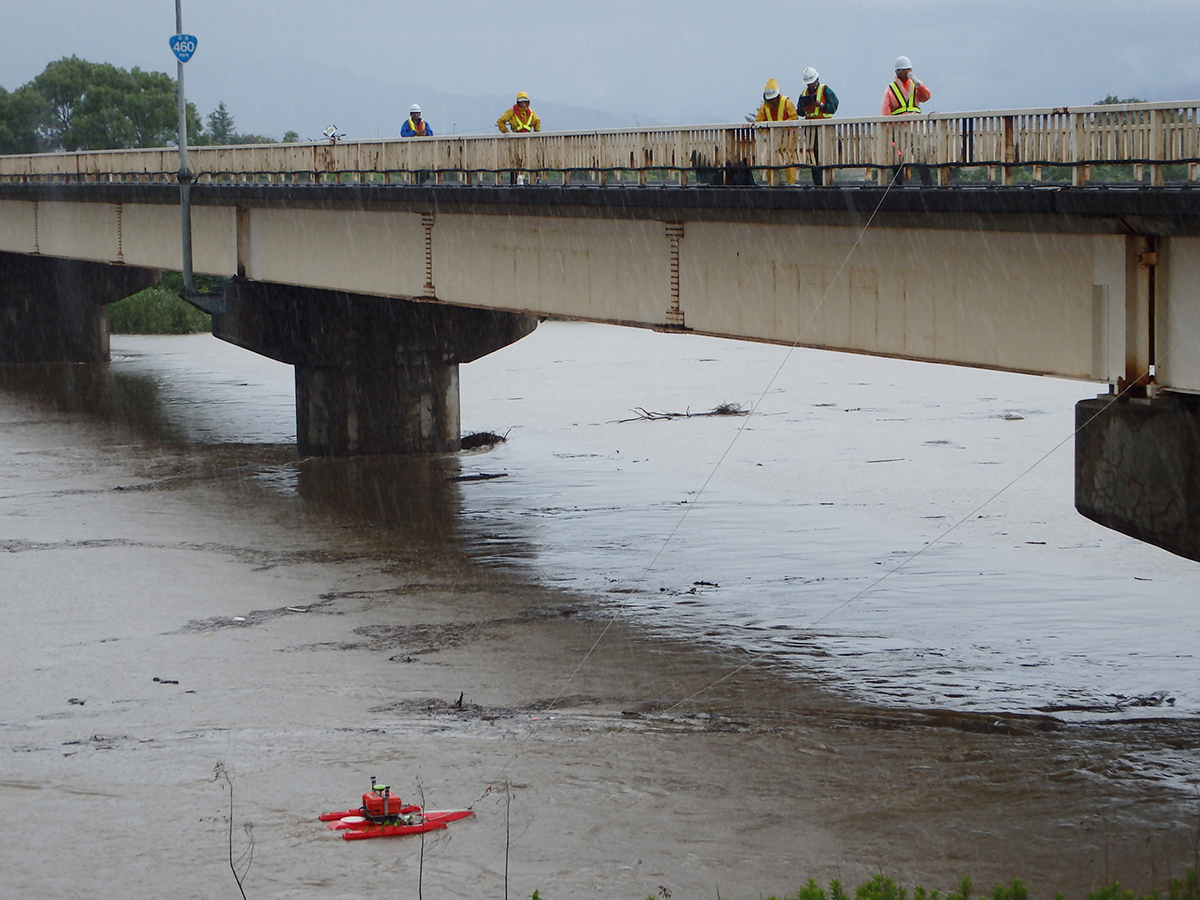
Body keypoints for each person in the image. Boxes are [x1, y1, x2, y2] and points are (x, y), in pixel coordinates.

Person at [881, 56, 933, 185]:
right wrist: (888, 131)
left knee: (921, 155)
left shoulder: (914, 85)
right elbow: (885, 111)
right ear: (898, 72)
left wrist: (918, 83)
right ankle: (899, 184)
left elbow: (926, 96)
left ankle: (927, 184)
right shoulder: (890, 89)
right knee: (897, 156)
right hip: (899, 128)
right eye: (905, 70)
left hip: (916, 127)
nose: (909, 72)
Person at [796, 67, 839, 185]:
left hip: (824, 129)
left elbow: (833, 107)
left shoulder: (825, 90)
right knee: (813, 157)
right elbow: (798, 110)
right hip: (810, 130)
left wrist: (821, 105)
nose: (810, 85)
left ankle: (826, 181)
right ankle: (818, 182)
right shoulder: (804, 94)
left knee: (824, 155)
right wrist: (803, 109)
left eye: (811, 82)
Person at [755, 78, 799, 184]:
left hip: (788, 137)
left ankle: (791, 183)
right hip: (773, 139)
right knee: (772, 160)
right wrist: (767, 132)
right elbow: (758, 122)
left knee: (789, 159)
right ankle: (772, 183)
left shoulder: (787, 103)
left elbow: (794, 117)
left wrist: (781, 127)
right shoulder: (765, 107)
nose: (771, 101)